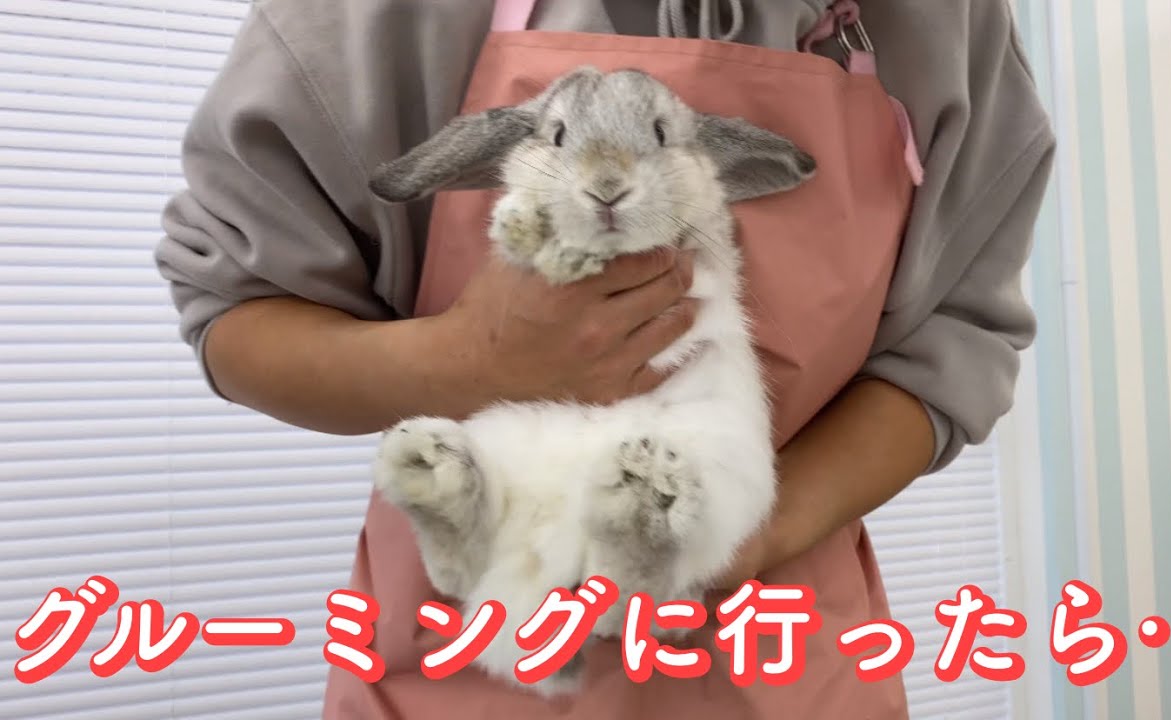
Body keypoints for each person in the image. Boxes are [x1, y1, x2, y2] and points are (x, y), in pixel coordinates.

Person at [155, 0, 1055, 717]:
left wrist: (753, 536)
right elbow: (238, 312)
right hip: (463, 657)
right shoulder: (370, 21)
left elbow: (954, 340)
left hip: (781, 651)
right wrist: (469, 359)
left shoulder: (946, 23)